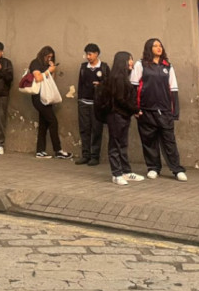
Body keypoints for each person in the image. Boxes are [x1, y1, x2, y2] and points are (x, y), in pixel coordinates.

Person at [130, 39, 187, 181]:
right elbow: (133, 88)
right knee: (149, 141)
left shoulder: (168, 66)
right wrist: (135, 109)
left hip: (164, 110)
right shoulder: (140, 64)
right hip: (146, 110)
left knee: (169, 141)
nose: (158, 48)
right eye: (155, 46)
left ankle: (176, 169)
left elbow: (173, 89)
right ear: (149, 48)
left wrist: (174, 111)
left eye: (160, 45)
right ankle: (153, 168)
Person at [101, 52, 142, 185]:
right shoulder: (118, 78)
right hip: (116, 116)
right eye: (130, 59)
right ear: (122, 61)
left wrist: (132, 111)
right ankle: (116, 174)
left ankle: (126, 171)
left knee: (123, 144)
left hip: (123, 116)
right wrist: (135, 109)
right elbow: (120, 99)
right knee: (115, 145)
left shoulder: (124, 78)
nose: (132, 62)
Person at [29, 46, 72, 159]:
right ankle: (58, 150)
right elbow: (38, 78)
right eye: (47, 56)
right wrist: (49, 71)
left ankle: (40, 150)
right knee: (53, 121)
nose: (49, 59)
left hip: (47, 97)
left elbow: (51, 81)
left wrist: (52, 69)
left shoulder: (47, 65)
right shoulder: (35, 63)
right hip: (38, 97)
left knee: (43, 123)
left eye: (51, 57)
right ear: (43, 54)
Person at [76, 43, 109, 166]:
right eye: (86, 54)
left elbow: (109, 85)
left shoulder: (104, 67)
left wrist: (100, 86)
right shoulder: (84, 67)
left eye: (90, 54)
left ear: (96, 54)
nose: (88, 57)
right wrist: (79, 100)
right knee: (84, 129)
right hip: (84, 102)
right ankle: (85, 155)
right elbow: (80, 84)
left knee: (96, 130)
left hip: (97, 104)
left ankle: (95, 156)